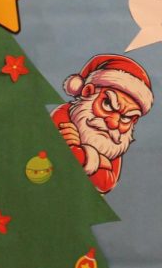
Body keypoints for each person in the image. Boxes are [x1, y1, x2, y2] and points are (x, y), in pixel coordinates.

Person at [54, 53, 153, 194]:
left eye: (125, 117)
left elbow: (107, 183)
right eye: (107, 104)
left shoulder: (113, 142)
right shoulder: (65, 114)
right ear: (88, 92)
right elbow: (60, 155)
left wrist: (86, 154)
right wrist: (101, 162)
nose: (113, 123)